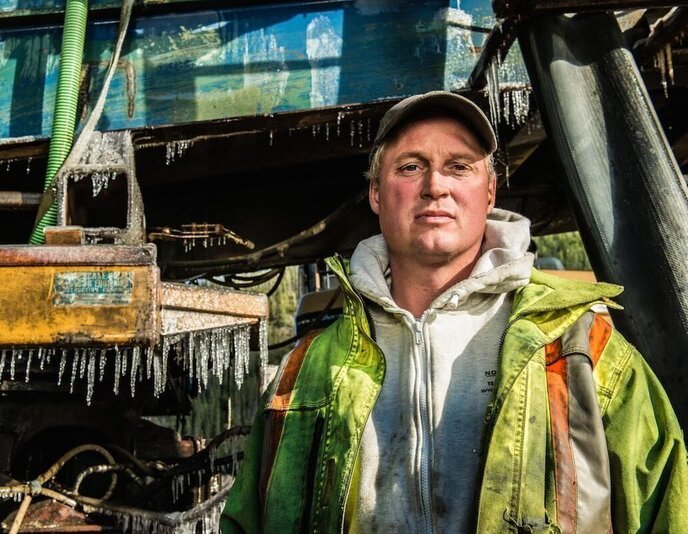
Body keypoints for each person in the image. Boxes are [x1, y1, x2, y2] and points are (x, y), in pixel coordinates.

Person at [220, 91, 688, 532]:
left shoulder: (579, 345)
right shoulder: (306, 372)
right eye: (410, 166)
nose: (435, 186)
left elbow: (666, 505)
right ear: (377, 195)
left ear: (489, 193)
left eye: (458, 166)